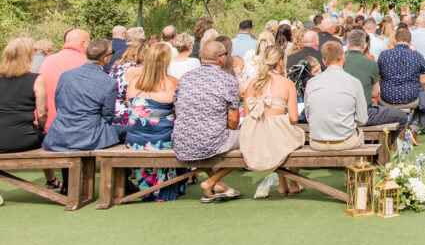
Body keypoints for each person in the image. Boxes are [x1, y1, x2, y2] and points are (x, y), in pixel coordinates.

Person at [172, 39, 243, 203]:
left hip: (182, 139)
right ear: (222, 58)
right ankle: (211, 181)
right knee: (252, 139)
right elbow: (233, 121)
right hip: (209, 141)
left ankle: (219, 184)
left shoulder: (185, 78)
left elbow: (178, 112)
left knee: (205, 139)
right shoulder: (228, 80)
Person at [124, 43, 186, 202]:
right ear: (167, 62)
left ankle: (149, 186)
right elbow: (180, 115)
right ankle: (164, 185)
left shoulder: (134, 82)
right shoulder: (173, 83)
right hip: (161, 141)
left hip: (134, 141)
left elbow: (130, 108)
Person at [240, 45, 304, 195]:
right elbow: (294, 118)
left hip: (255, 135)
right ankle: (293, 183)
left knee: (279, 138)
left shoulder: (252, 83)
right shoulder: (287, 83)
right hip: (276, 133)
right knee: (296, 135)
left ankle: (282, 183)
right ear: (280, 62)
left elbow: (248, 115)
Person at [43, 38, 124, 152]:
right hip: (88, 137)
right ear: (105, 58)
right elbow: (107, 116)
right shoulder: (109, 82)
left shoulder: (65, 75)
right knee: (128, 130)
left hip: (60, 133)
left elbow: (59, 103)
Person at [341, 31, 410, 140]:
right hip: (363, 113)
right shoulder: (371, 63)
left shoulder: (340, 61)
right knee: (402, 116)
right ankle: (384, 152)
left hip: (342, 112)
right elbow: (374, 93)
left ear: (348, 45)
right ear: (364, 46)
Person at [305, 39, 370, 153]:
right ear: (343, 57)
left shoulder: (311, 83)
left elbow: (308, 116)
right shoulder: (354, 82)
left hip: (317, 142)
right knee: (361, 133)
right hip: (345, 141)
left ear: (324, 62)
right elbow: (362, 119)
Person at [378, 28, 425, 132]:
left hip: (387, 98)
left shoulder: (383, 55)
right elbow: (423, 81)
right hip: (410, 98)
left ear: (395, 40)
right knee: (424, 99)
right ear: (410, 41)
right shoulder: (417, 55)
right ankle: (413, 127)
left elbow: (379, 77)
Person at [0, 38, 48, 153]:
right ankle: (50, 172)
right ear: (30, 56)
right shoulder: (36, 79)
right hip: (22, 138)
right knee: (49, 138)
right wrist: (41, 127)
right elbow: (42, 113)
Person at [38, 28, 89, 132]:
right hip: (73, 127)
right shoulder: (86, 62)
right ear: (83, 44)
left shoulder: (48, 60)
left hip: (46, 124)